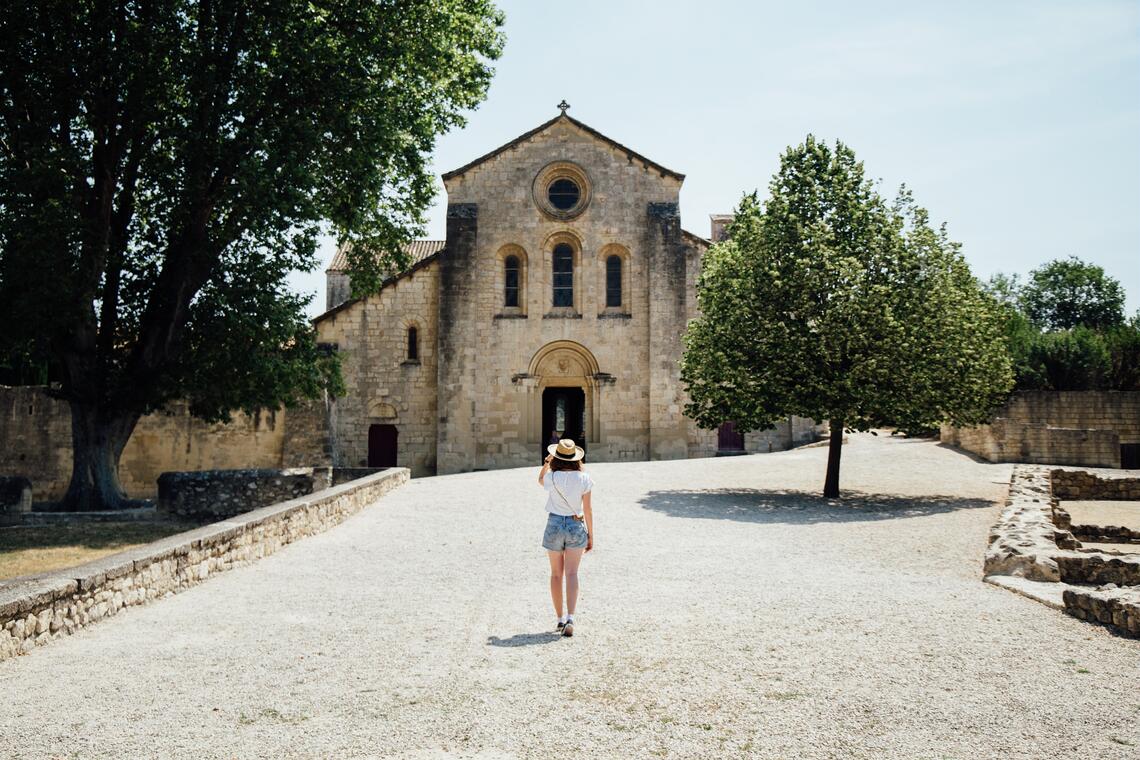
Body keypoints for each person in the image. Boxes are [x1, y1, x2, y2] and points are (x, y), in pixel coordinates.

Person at [538, 438, 593, 637]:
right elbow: (587, 508)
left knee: (555, 574)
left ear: (557, 456)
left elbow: (540, 480)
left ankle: (559, 619)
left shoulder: (552, 477)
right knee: (572, 574)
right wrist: (591, 536)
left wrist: (546, 463)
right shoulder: (584, 478)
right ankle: (570, 617)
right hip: (575, 524)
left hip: (554, 524)